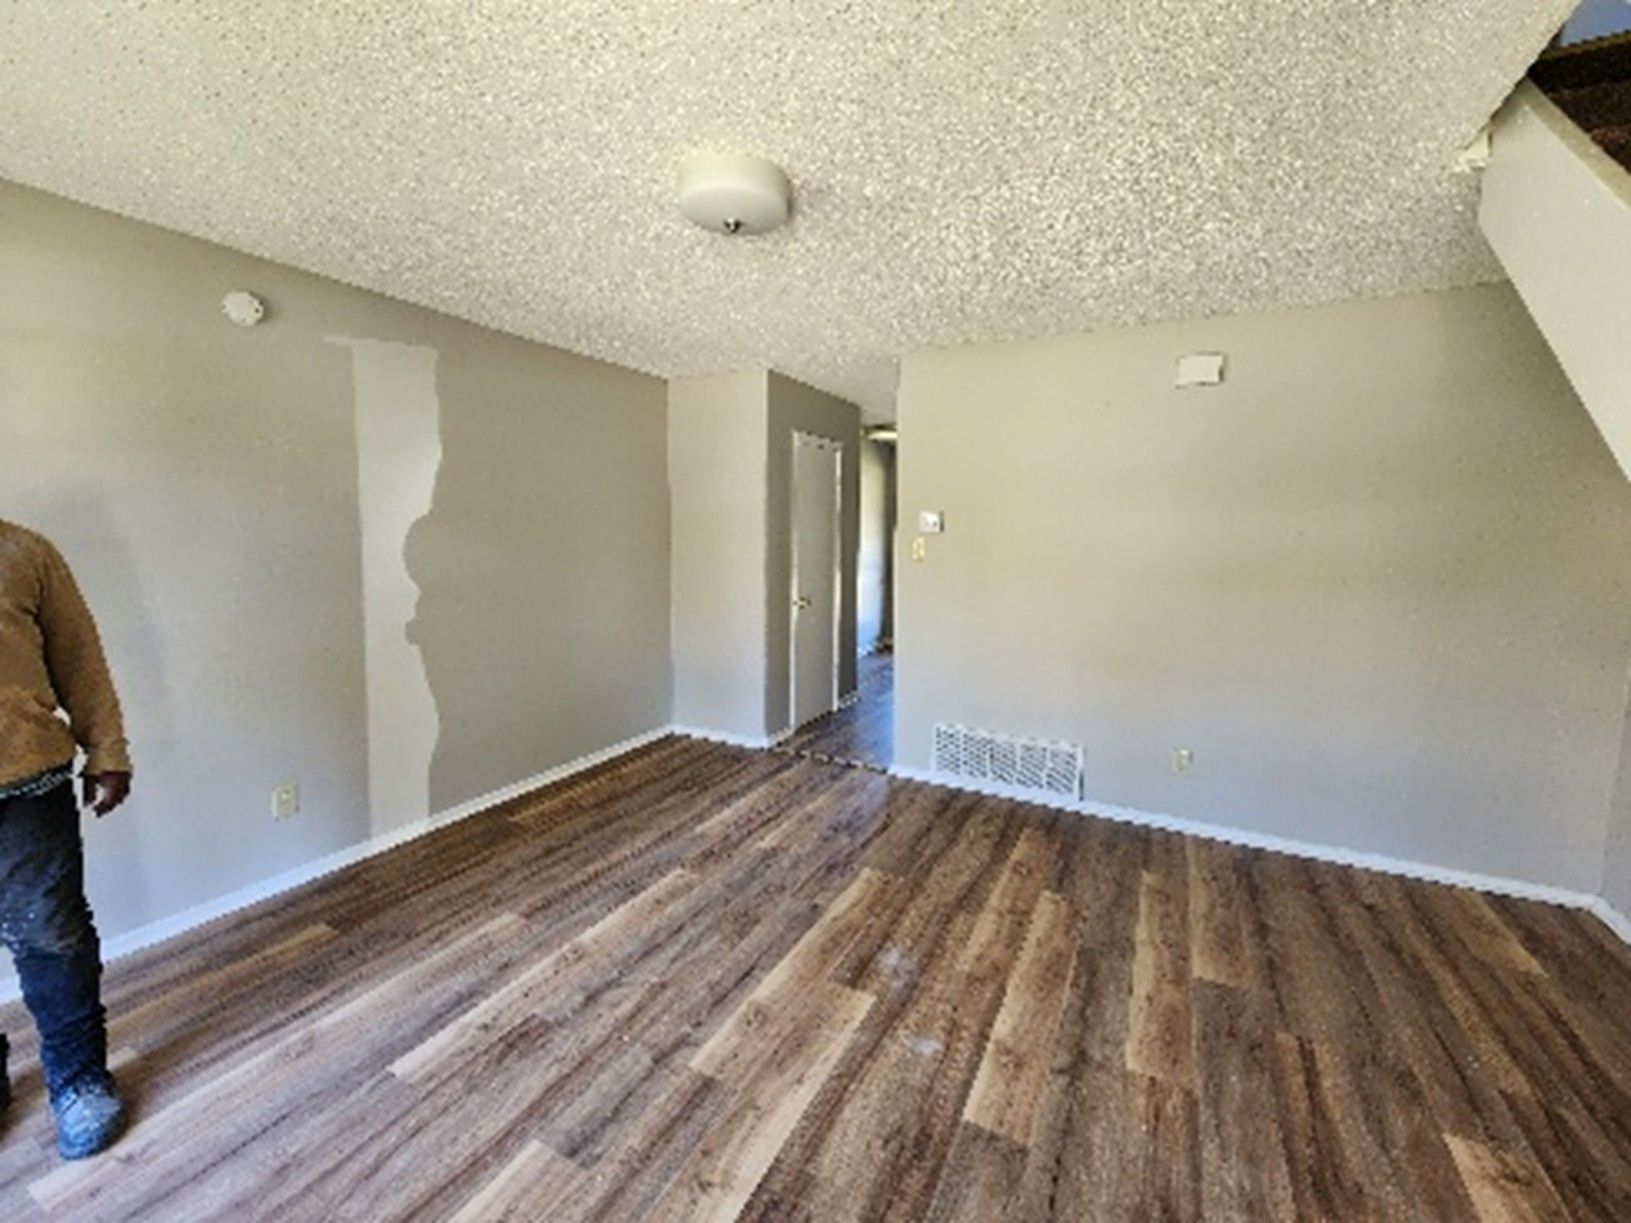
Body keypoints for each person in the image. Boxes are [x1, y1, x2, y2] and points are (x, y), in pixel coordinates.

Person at [0, 518, 129, 1159]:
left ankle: (79, 1080)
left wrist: (108, 750)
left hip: (26, 784)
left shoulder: (25, 552)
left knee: (51, 934)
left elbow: (81, 659)